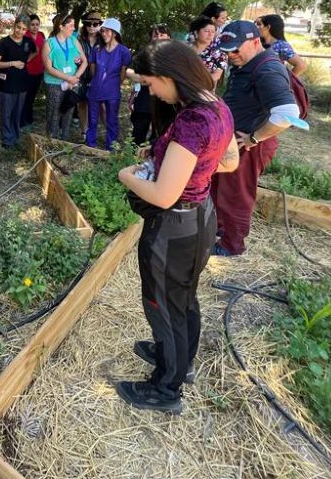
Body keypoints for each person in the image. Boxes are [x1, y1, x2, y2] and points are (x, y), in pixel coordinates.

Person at [115, 40, 238, 414]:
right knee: (183, 297)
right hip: (201, 215)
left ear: (169, 77)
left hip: (174, 226)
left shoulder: (191, 123)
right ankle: (180, 360)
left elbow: (164, 195)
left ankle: (166, 388)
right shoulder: (216, 106)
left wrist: (127, 176)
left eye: (151, 84)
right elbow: (229, 160)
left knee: (163, 304)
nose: (152, 92)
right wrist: (172, 160)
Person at [212, 20, 300, 256]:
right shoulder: (248, 62)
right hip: (235, 142)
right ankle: (221, 229)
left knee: (236, 193)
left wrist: (254, 138)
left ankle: (232, 244)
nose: (231, 56)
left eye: (236, 50)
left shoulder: (267, 69)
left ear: (254, 41)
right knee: (223, 188)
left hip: (248, 146)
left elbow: (287, 113)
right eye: (227, 52)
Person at [85, 18, 132, 151]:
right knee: (92, 120)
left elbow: (123, 73)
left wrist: (114, 85)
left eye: (107, 31)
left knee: (112, 121)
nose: (103, 34)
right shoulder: (97, 49)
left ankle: (111, 148)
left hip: (112, 91)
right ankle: (90, 145)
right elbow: (93, 69)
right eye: (102, 31)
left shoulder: (123, 51)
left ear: (115, 33)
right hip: (95, 89)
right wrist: (98, 81)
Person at [0, 16, 37, 150]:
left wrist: (26, 61)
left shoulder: (28, 41)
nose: (20, 31)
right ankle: (7, 139)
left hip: (22, 81)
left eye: (24, 29)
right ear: (14, 25)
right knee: (6, 112)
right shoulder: (4, 43)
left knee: (18, 112)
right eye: (18, 27)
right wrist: (12, 63)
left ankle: (15, 137)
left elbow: (35, 51)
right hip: (6, 83)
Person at [41, 13, 87, 140]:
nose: (74, 28)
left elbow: (84, 61)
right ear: (61, 26)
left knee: (68, 111)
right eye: (71, 25)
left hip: (72, 84)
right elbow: (49, 68)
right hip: (54, 84)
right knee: (54, 114)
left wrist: (75, 77)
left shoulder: (74, 41)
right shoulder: (49, 43)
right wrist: (68, 78)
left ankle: (64, 140)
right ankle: (51, 141)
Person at [128, 24, 171, 144]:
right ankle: (132, 153)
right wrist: (135, 94)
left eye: (162, 34)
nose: (158, 38)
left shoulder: (174, 56)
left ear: (168, 37)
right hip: (143, 99)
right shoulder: (143, 53)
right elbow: (130, 72)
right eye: (155, 35)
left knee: (159, 135)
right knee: (138, 132)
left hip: (164, 101)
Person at [76, 12, 102, 136]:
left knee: (100, 105)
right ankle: (84, 131)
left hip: (98, 77)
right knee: (82, 103)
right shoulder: (79, 39)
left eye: (95, 24)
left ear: (99, 25)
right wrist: (76, 60)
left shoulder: (103, 40)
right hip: (82, 76)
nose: (91, 27)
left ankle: (105, 132)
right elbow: (74, 55)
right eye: (88, 24)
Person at [21, 14, 46, 129]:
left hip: (39, 70)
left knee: (32, 96)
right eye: (32, 25)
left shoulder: (41, 35)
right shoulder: (25, 36)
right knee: (26, 96)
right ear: (28, 25)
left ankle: (29, 117)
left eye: (37, 24)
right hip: (27, 71)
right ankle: (22, 120)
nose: (35, 27)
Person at [188, 16, 226, 85]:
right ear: (196, 32)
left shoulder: (219, 54)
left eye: (213, 32)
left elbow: (217, 75)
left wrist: (196, 85)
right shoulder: (185, 49)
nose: (210, 34)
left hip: (203, 88)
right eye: (206, 31)